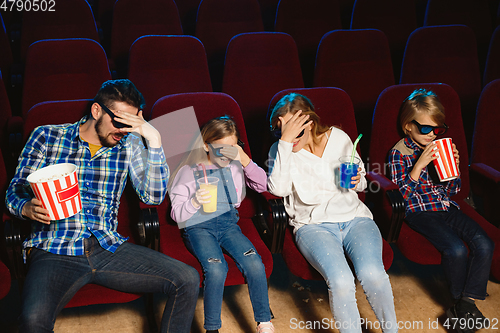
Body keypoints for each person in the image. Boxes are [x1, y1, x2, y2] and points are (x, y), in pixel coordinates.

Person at [6, 79, 200, 333]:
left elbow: (152, 197)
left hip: (107, 247)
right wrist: (25, 208)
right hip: (54, 248)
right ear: (97, 111)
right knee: (33, 322)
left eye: (131, 124)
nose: (123, 130)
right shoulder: (47, 136)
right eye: (119, 122)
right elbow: (15, 190)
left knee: (187, 278)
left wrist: (153, 140)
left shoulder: (129, 145)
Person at [267, 93, 398, 333]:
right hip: (312, 226)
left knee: (373, 275)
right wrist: (284, 143)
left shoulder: (339, 138)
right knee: (341, 281)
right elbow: (277, 189)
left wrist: (357, 179)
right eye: (280, 131)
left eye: (294, 130)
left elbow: (360, 185)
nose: (288, 137)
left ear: (310, 123)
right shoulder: (280, 149)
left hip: (355, 219)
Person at [388, 89, 494, 333]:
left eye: (437, 129)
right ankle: (460, 301)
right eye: (425, 129)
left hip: (446, 207)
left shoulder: (440, 147)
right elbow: (401, 198)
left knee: (484, 244)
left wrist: (452, 167)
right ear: (408, 127)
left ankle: (465, 303)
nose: (432, 135)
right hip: (419, 211)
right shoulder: (398, 153)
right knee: (455, 249)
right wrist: (419, 165)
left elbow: (453, 191)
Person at [169, 116, 274, 333]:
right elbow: (176, 215)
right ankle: (212, 328)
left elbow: (264, 185)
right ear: (206, 145)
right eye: (221, 148)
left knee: (254, 262)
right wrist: (195, 201)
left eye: (232, 147)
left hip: (227, 225)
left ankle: (264, 321)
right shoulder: (188, 172)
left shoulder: (235, 167)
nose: (227, 153)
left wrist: (244, 160)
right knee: (216, 268)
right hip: (198, 227)